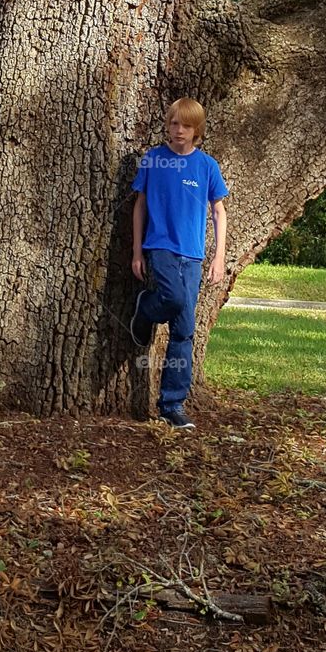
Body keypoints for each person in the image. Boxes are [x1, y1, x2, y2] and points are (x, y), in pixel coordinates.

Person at [130, 97, 229, 431]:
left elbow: (219, 211)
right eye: (174, 123)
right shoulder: (154, 160)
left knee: (184, 332)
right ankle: (145, 309)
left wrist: (218, 257)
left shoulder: (206, 167)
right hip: (160, 247)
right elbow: (140, 206)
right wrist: (136, 251)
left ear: (197, 130)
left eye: (186, 125)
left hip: (194, 255)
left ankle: (171, 405)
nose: (179, 130)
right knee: (171, 299)